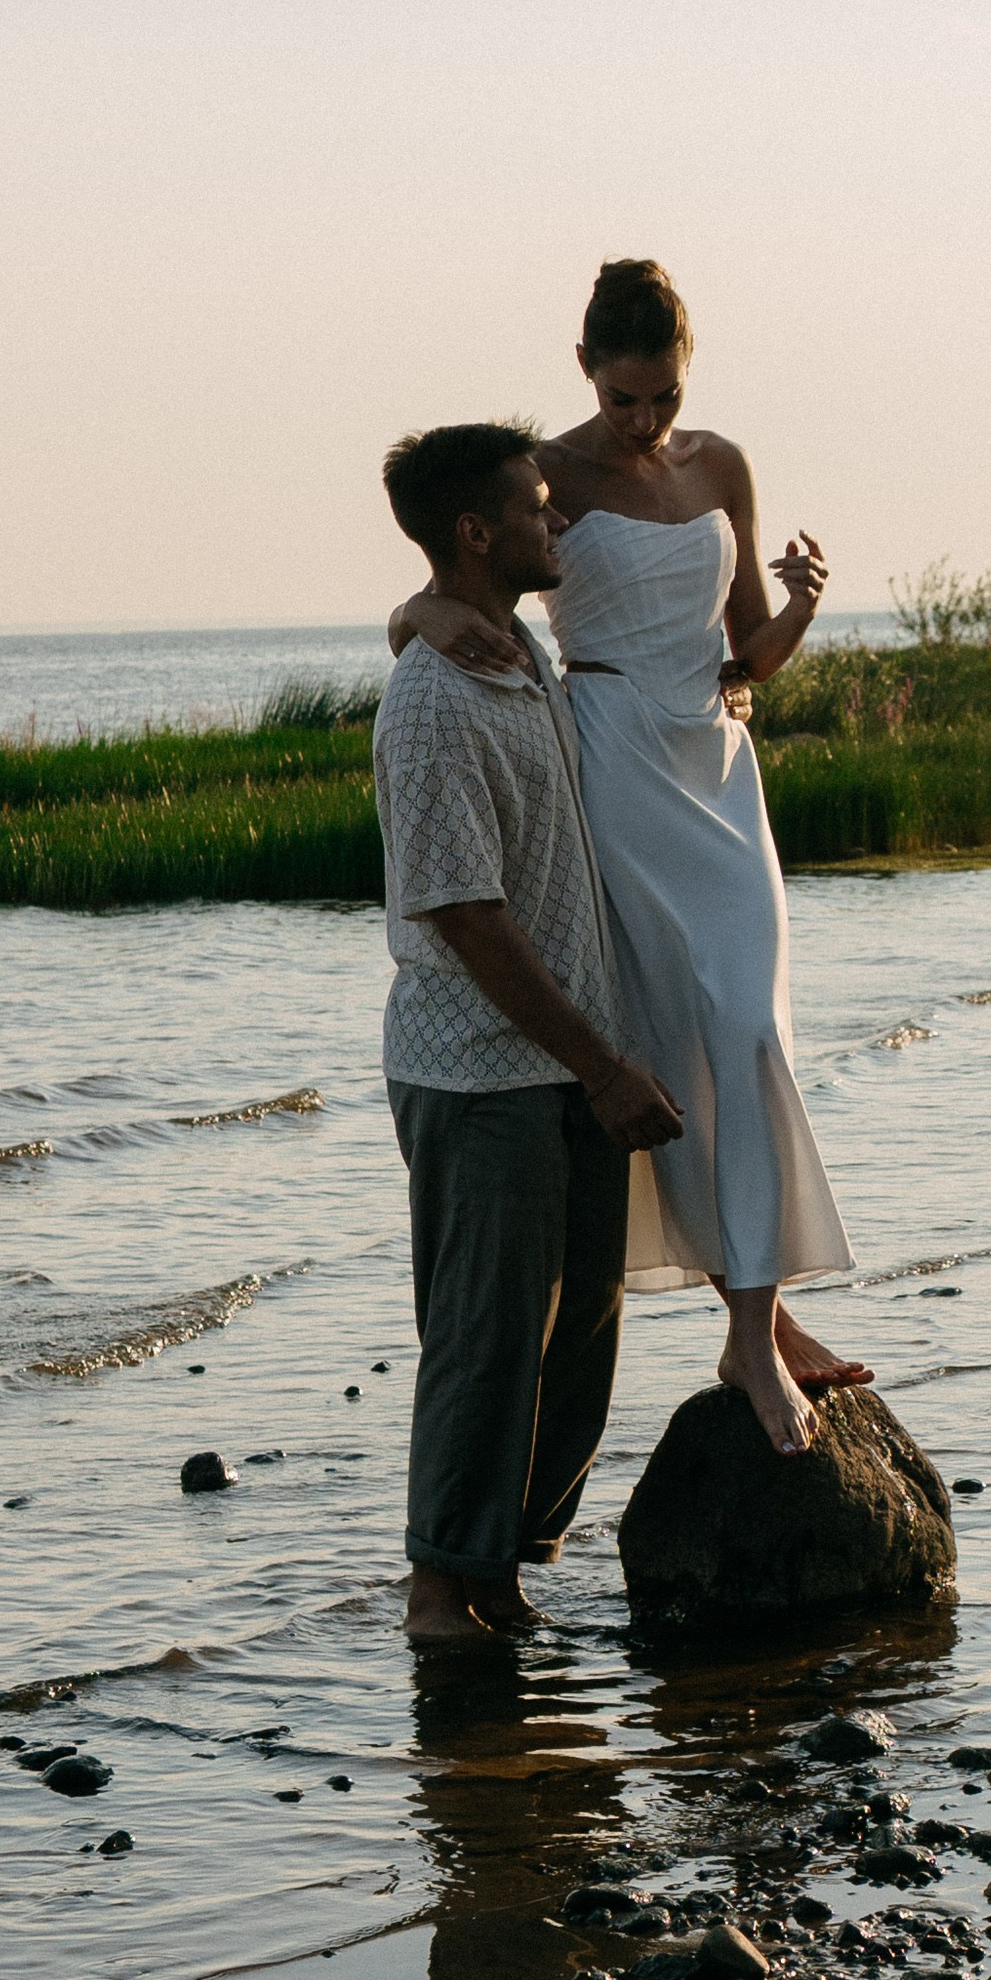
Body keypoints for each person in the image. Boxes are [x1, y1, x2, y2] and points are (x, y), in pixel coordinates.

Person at [388, 257, 858, 1457]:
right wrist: (415, 618)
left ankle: (760, 1319)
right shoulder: (545, 471)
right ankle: (751, 1327)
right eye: (625, 397)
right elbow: (450, 577)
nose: (644, 423)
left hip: (716, 762)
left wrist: (802, 606)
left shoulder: (723, 467)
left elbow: (745, 648)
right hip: (609, 761)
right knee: (677, 1041)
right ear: (587, 368)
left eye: (663, 397)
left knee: (752, 1030)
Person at [372, 420, 685, 1647]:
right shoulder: (434, 697)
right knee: (487, 1342)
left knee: (580, 1336)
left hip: (563, 1064)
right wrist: (605, 1066)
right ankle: (441, 1594)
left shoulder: (512, 659)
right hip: (479, 1072)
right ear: (474, 531)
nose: (557, 524)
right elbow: (462, 914)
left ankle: (505, 1573)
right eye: (537, 508)